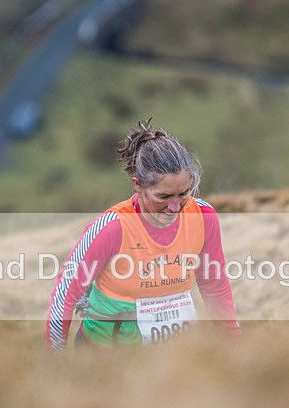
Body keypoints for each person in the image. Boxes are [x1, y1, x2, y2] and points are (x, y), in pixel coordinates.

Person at [46, 119, 239, 351]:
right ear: (138, 184)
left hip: (174, 354)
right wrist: (55, 361)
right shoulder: (112, 227)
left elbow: (214, 285)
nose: (175, 207)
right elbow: (64, 296)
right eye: (163, 196)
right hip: (105, 354)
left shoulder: (203, 216)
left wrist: (233, 347)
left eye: (184, 194)